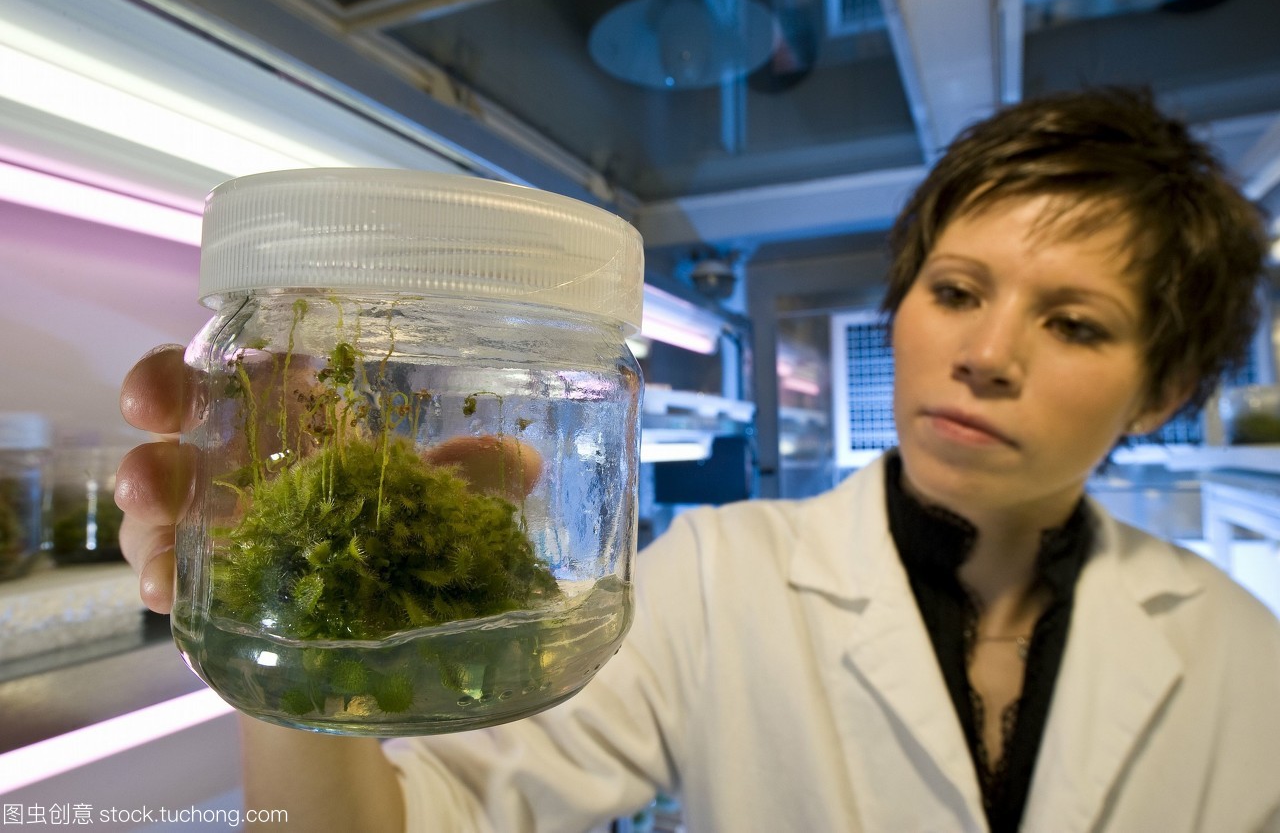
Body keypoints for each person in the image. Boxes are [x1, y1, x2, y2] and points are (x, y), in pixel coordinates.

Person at [115, 87, 1280, 832]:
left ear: (1164, 389)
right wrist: (312, 642)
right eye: (956, 289)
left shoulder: (1245, 654)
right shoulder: (716, 576)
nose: (983, 353)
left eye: (1074, 323)